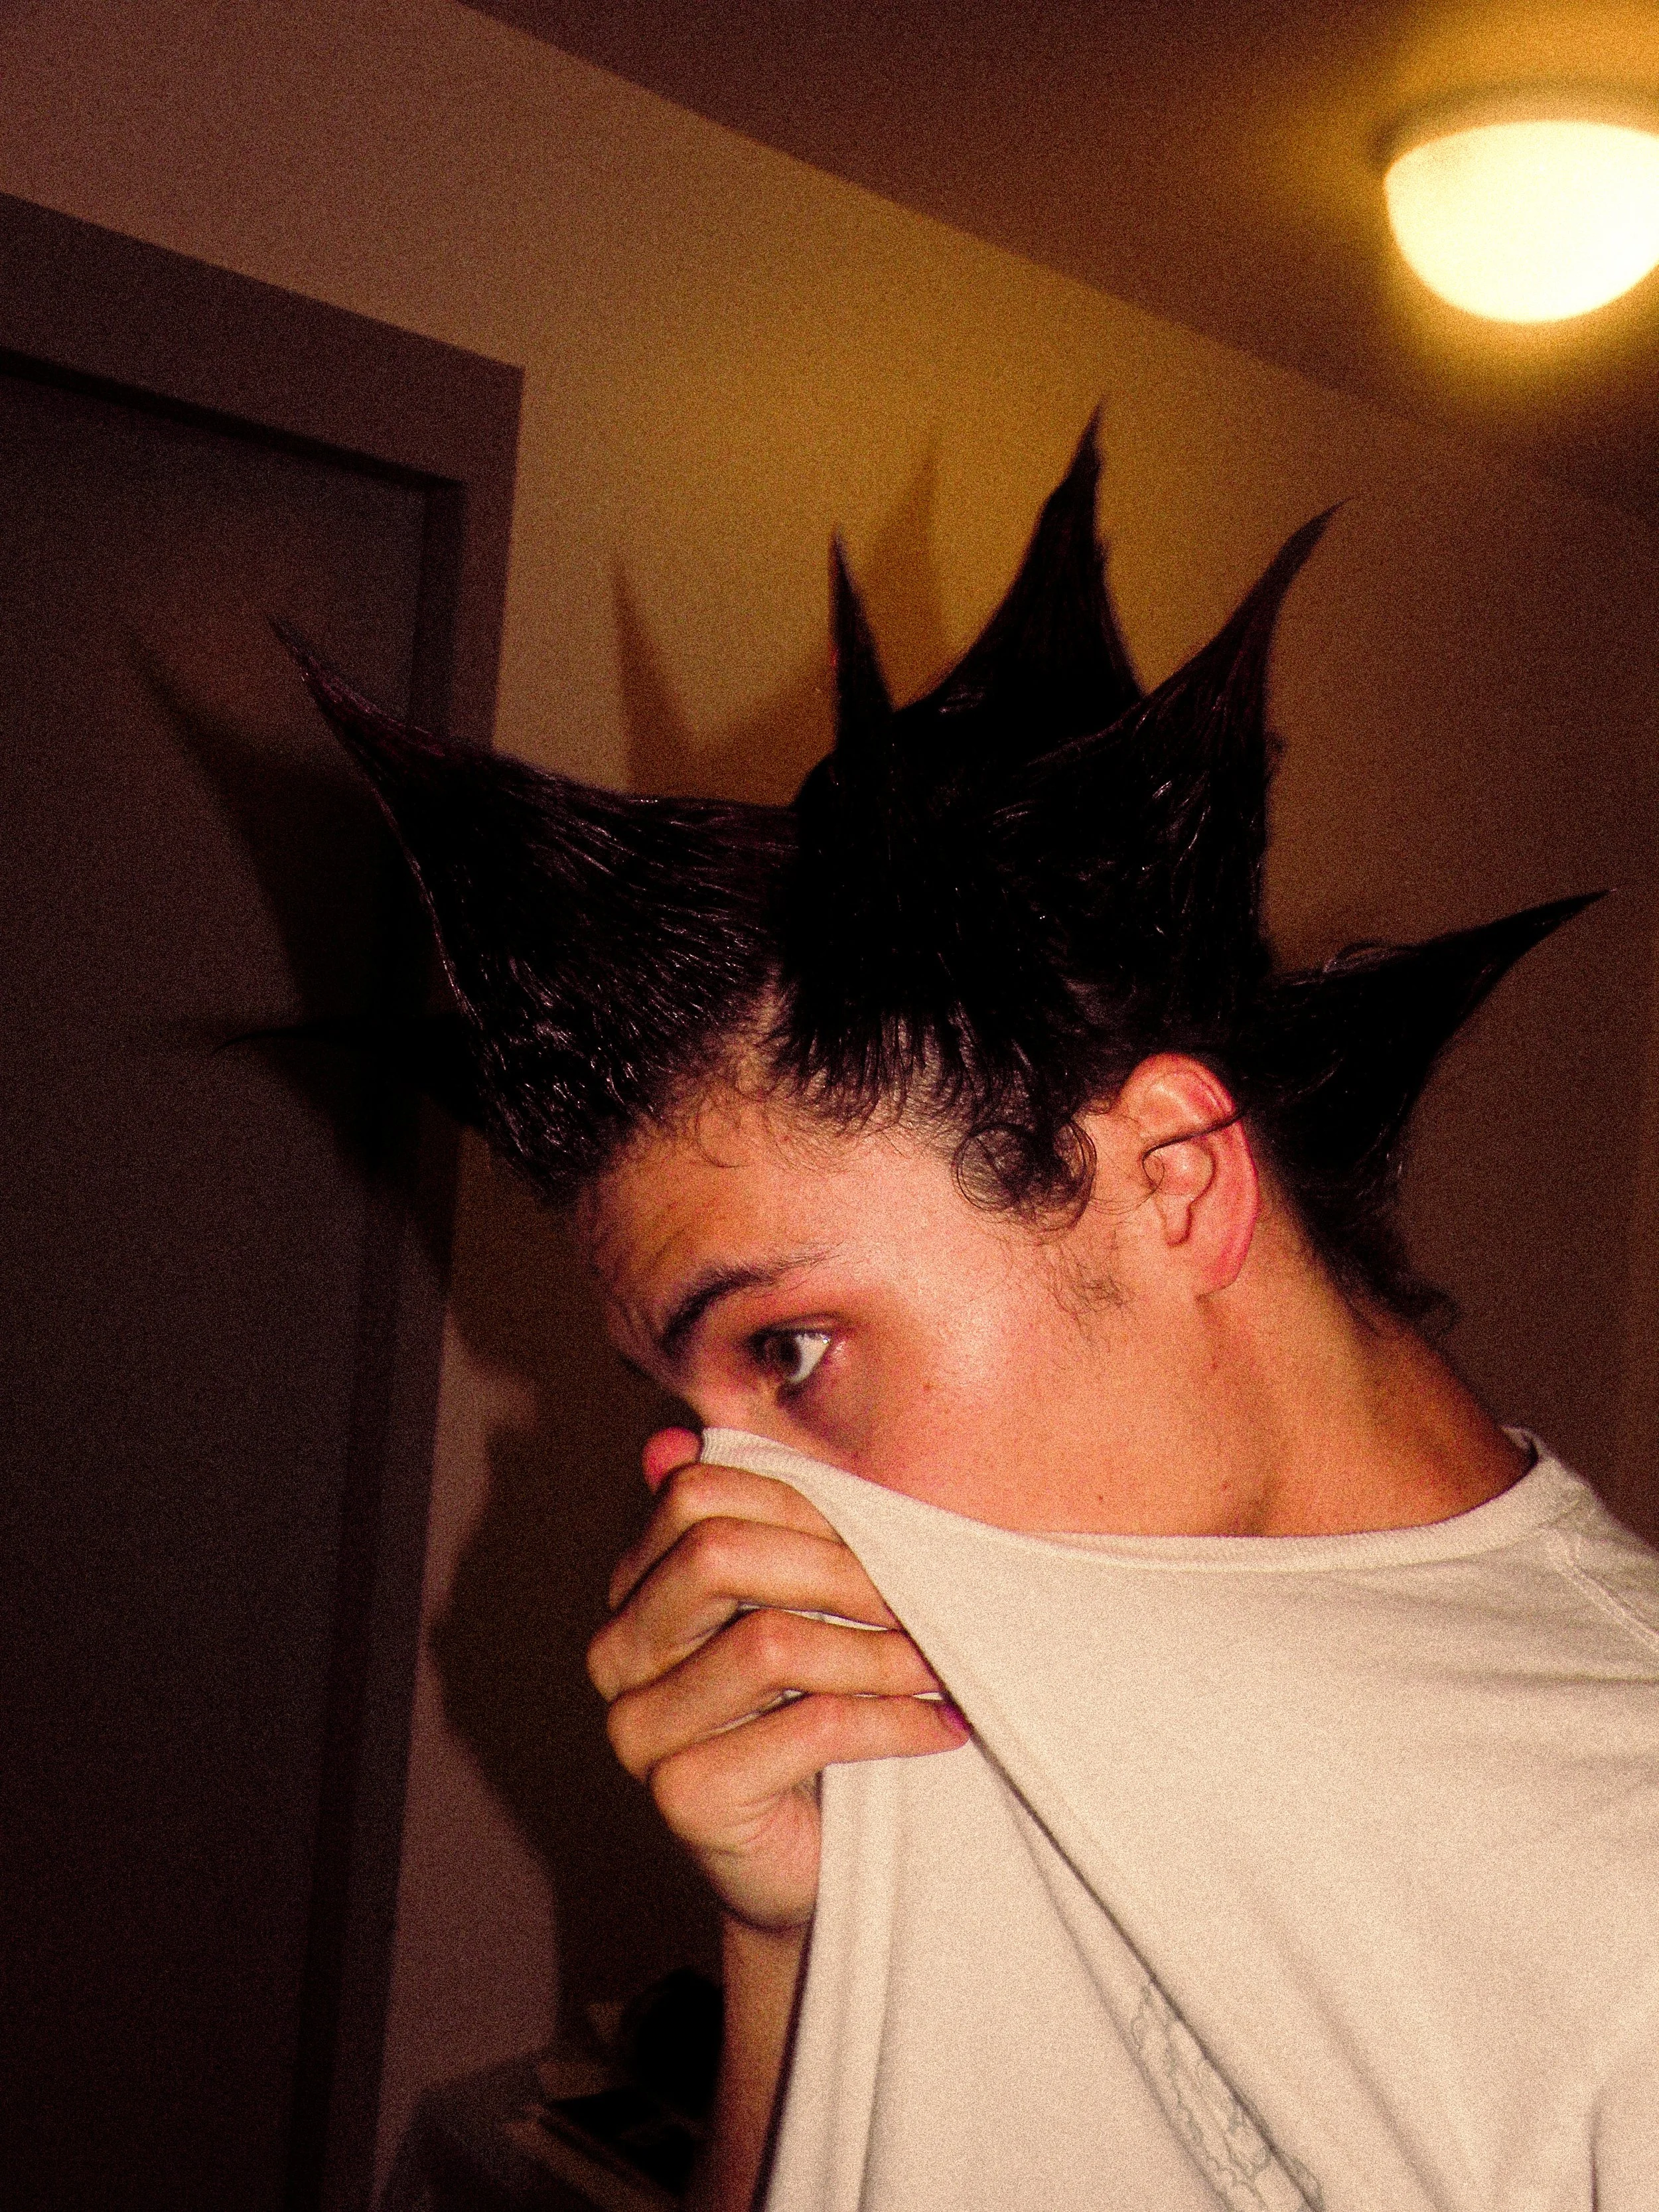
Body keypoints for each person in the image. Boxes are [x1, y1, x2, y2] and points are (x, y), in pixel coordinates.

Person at [290, 424, 1659, 2210]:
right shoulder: (956, 1658)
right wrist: (789, 1935)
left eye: (789, 1350)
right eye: (691, 1410)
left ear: (1170, 1177)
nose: (724, 1517)